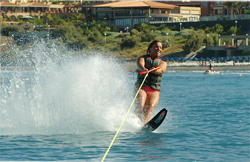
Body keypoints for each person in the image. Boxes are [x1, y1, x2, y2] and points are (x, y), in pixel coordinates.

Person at [135, 40, 168, 124]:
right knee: (141, 105)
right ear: (150, 48)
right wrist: (144, 69)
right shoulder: (142, 58)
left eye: (160, 47)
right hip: (142, 87)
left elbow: (161, 70)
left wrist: (153, 71)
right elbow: (140, 64)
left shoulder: (162, 63)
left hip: (154, 89)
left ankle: (143, 125)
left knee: (150, 107)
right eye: (156, 47)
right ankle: (135, 122)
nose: (159, 49)